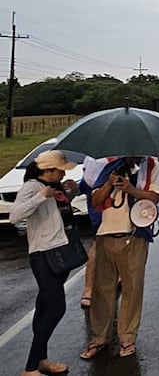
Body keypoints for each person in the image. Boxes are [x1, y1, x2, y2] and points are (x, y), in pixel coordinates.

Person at [79, 155, 159, 360]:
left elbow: (155, 198)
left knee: (132, 289)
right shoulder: (109, 167)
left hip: (135, 235)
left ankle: (127, 338)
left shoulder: (151, 166)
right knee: (102, 290)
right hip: (105, 234)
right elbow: (95, 200)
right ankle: (99, 338)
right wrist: (109, 183)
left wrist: (130, 189)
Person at [10, 150, 78, 376]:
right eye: (59, 170)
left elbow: (57, 214)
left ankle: (41, 359)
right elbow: (15, 216)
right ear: (47, 171)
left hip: (60, 250)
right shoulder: (32, 186)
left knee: (44, 308)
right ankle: (30, 367)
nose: (62, 173)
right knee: (56, 307)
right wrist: (41, 195)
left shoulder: (55, 187)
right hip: (43, 254)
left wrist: (69, 193)